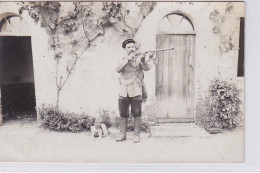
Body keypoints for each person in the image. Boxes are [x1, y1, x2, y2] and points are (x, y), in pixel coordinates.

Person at [115, 39, 154, 143]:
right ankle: (122, 134)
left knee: (137, 113)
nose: (131, 49)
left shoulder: (139, 58)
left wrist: (144, 59)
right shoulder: (122, 58)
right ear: (124, 49)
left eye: (133, 47)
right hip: (123, 90)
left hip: (136, 89)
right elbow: (117, 69)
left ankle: (136, 135)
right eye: (129, 47)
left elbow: (147, 68)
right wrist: (128, 59)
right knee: (123, 113)